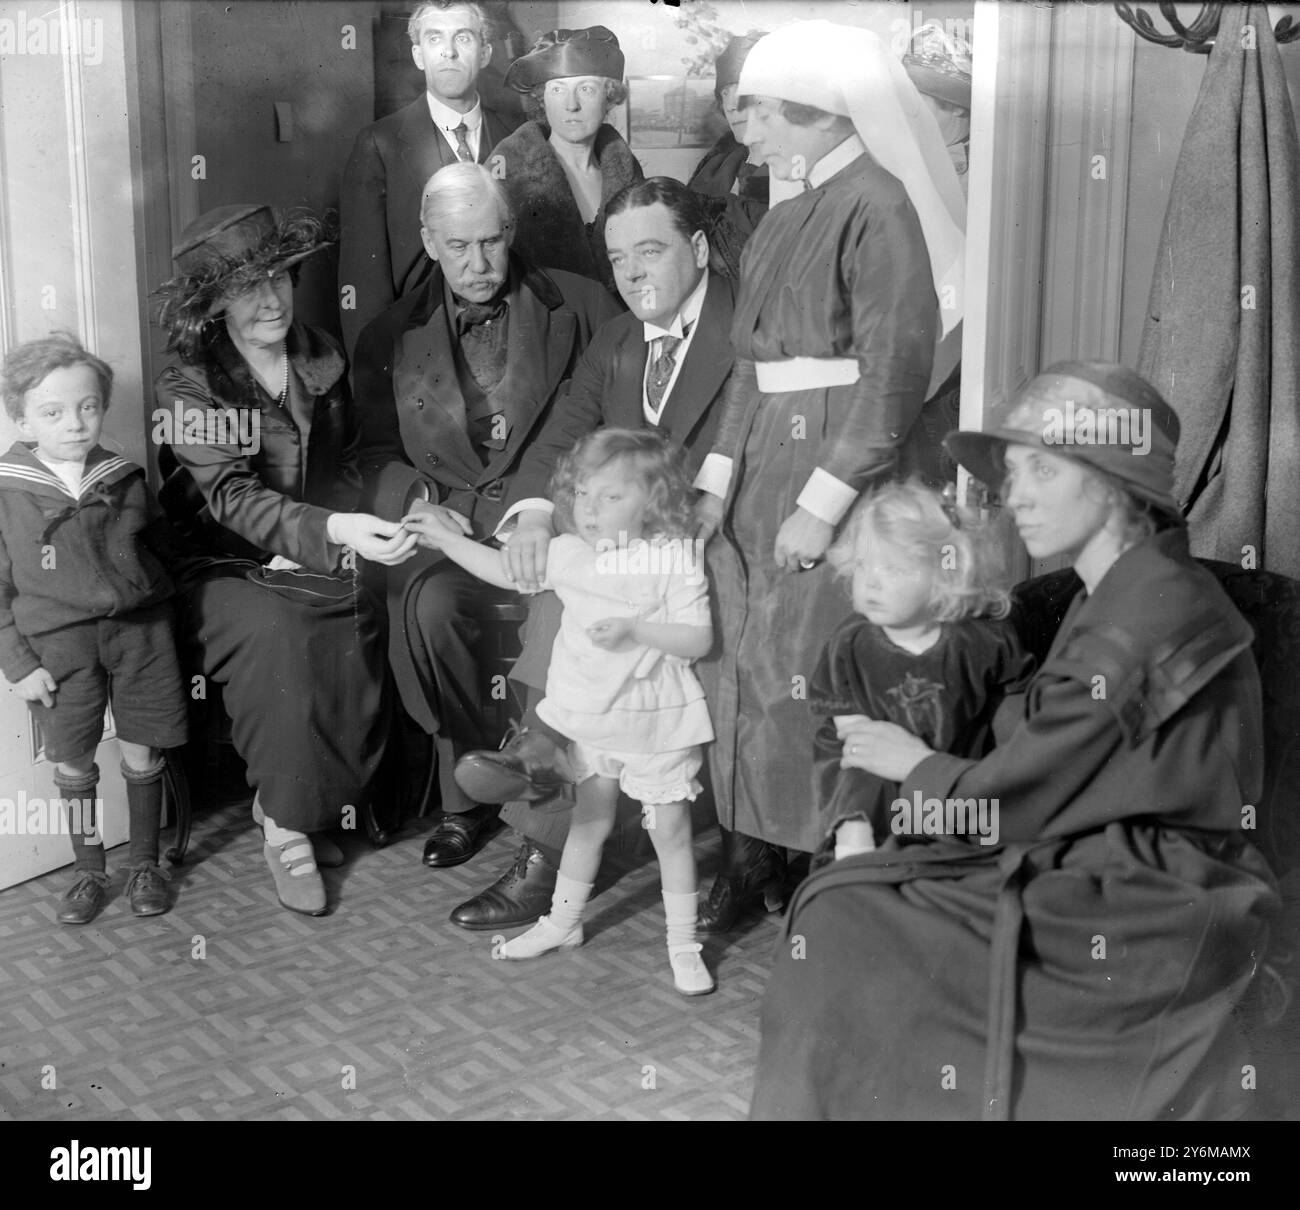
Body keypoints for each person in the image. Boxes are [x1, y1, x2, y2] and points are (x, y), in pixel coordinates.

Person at [751, 362, 1281, 1120]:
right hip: (1104, 848)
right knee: (848, 899)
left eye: (1041, 467)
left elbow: (1020, 794)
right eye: (1014, 471)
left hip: (1153, 893)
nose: (1014, 492)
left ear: (1112, 477)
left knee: (844, 918)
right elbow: (1048, 741)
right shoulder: (1124, 587)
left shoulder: (1144, 610)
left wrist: (915, 765)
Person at [696, 21, 966, 929]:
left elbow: (894, 375)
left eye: (765, 115)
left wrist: (823, 507)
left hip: (835, 475)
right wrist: (715, 479)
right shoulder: (780, 215)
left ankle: (826, 869)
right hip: (763, 458)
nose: (750, 133)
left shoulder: (880, 205)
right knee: (740, 665)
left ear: (819, 114)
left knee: (809, 676)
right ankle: (747, 852)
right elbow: (746, 365)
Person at [445, 178, 738, 932]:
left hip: (710, 547)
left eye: (651, 250)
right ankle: (540, 762)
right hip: (624, 555)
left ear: (699, 249)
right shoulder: (615, 338)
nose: (634, 272)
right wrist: (539, 514)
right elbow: (566, 428)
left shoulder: (745, 331)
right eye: (618, 258)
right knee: (563, 569)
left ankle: (541, 806)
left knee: (587, 588)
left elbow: (761, 438)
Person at [353, 162, 619, 871]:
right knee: (434, 609)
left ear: (512, 231)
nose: (478, 263)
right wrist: (418, 503)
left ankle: (544, 802)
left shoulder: (586, 305)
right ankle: (464, 800)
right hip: (454, 528)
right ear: (428, 241)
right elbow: (372, 452)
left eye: (492, 242)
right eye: (458, 245)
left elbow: (614, 432)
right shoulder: (389, 335)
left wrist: (555, 512)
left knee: (563, 606)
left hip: (557, 523)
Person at [154, 204, 416, 917]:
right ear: (212, 303)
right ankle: (286, 827)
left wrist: (378, 519)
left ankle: (313, 803)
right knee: (283, 633)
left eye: (278, 277)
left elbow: (357, 458)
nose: (270, 298)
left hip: (319, 548)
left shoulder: (321, 351)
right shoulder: (187, 384)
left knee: (362, 611)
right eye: (246, 286)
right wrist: (334, 529)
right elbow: (231, 500)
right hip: (220, 565)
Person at [404, 429, 716, 996]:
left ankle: (683, 944)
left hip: (655, 720)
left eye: (611, 498)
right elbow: (504, 571)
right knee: (588, 823)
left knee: (670, 832)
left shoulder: (673, 557)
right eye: (583, 495)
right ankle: (562, 922)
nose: (590, 511)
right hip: (592, 719)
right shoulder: (572, 553)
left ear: (656, 499)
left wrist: (636, 629)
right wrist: (447, 542)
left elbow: (697, 638)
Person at [0, 334, 188, 924]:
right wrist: (19, 664)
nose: (75, 424)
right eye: (52, 412)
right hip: (59, 648)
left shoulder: (126, 478)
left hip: (141, 635)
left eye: (88, 407)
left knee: (142, 745)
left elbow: (167, 553)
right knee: (75, 757)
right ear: (22, 418)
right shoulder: (8, 492)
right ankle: (88, 869)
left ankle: (145, 864)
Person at [810, 481, 1032, 862]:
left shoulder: (981, 641)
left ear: (945, 574)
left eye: (893, 568)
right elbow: (843, 714)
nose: (871, 581)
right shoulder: (851, 642)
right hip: (870, 760)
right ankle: (854, 865)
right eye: (863, 565)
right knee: (860, 801)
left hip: (954, 761)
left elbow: (1014, 709)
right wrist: (866, 738)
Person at [339, 0, 519, 357]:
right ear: (419, 55)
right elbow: (364, 278)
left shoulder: (518, 137)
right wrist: (374, 375)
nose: (449, 52)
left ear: (484, 53)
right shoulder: (379, 144)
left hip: (510, 346)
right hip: (420, 353)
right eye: (435, 39)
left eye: (463, 38)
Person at [495, 25, 642, 296]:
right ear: (542, 98)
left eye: (586, 89)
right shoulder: (507, 174)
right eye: (558, 89)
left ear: (608, 97)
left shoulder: (629, 174)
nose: (570, 105)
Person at [686, 32, 769, 276]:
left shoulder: (795, 173)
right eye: (724, 93)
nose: (733, 105)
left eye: (744, 91)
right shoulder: (716, 165)